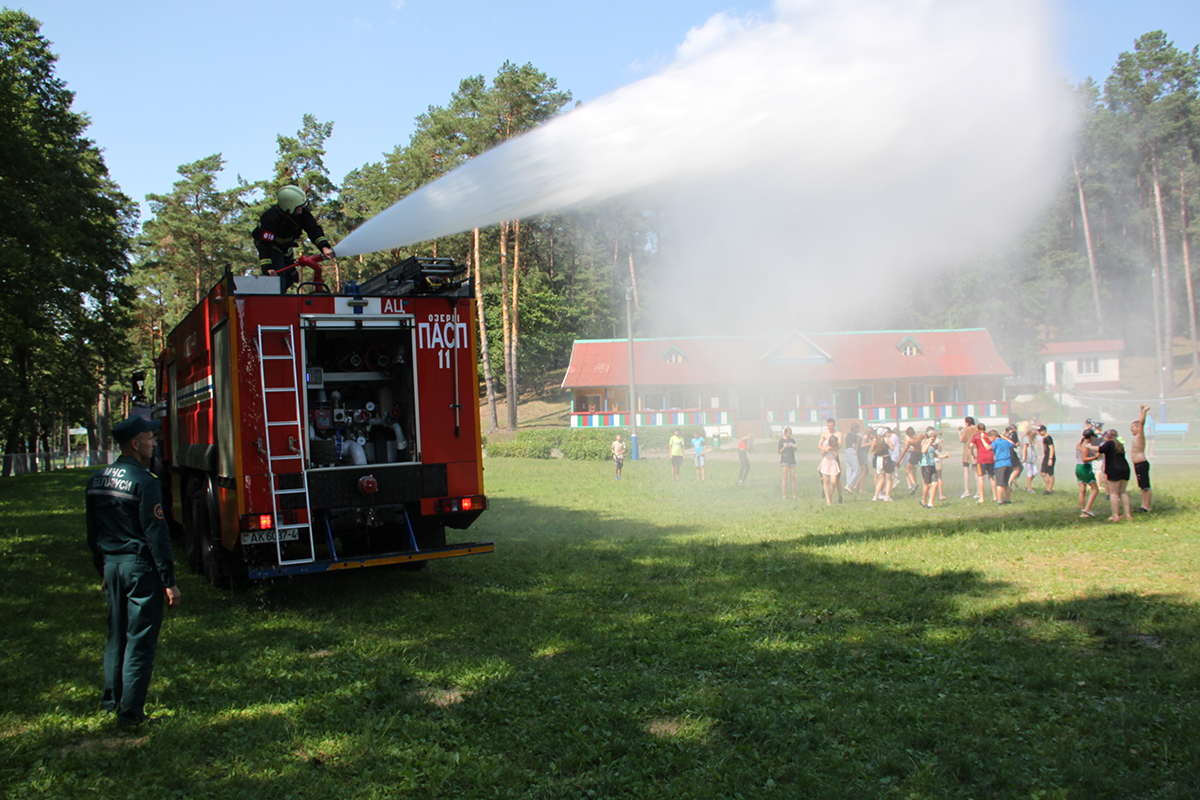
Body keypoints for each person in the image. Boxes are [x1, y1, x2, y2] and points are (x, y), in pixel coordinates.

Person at [85, 416, 181, 727]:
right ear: (134, 444)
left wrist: (103, 569)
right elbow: (156, 534)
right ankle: (130, 713)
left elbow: (92, 533)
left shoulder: (97, 481)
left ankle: (110, 701)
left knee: (116, 636)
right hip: (140, 569)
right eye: (149, 438)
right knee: (140, 639)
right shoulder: (145, 482)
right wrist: (169, 581)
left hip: (112, 566)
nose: (154, 443)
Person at [252, 185, 336, 290]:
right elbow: (265, 245)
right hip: (272, 249)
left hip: (286, 249)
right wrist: (268, 268)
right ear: (289, 207)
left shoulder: (302, 214)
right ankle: (277, 303)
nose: (302, 208)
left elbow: (314, 230)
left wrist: (324, 247)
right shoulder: (270, 218)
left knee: (289, 278)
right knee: (279, 277)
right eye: (300, 206)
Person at [1094, 429, 1132, 521]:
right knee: (1123, 492)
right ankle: (1128, 515)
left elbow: (1100, 449)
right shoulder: (1119, 443)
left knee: (1114, 493)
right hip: (1125, 468)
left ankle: (1115, 515)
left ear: (1107, 436)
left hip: (1114, 469)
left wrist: (1088, 446)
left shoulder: (1109, 443)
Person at [1130, 405, 1152, 513]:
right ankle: (1144, 505)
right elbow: (1139, 421)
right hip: (1137, 464)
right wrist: (1141, 410)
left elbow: (1141, 423)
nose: (1131, 429)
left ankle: (1147, 506)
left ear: (1138, 428)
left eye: (1133, 427)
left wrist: (1145, 412)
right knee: (1142, 486)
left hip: (1142, 463)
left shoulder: (1140, 435)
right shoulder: (1136, 436)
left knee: (1145, 486)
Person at [1075, 429, 1100, 518]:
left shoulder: (1079, 444)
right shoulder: (1086, 447)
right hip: (1085, 468)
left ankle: (1083, 512)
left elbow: (1077, 456)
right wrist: (1095, 457)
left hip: (1078, 467)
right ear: (1092, 437)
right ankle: (1087, 508)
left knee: (1082, 491)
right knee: (1095, 489)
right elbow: (1084, 459)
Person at [971, 424, 995, 504]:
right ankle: (995, 496)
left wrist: (972, 454)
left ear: (978, 429)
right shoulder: (989, 435)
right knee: (991, 476)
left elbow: (971, 445)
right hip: (990, 457)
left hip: (981, 459)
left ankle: (982, 498)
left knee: (981, 478)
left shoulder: (976, 436)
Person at [990, 429, 1015, 504]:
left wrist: (982, 440)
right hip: (1008, 464)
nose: (990, 440)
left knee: (999, 484)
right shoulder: (1005, 442)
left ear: (993, 436)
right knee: (1006, 483)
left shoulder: (995, 443)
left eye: (990, 438)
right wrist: (1005, 437)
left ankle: (999, 500)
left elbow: (988, 448)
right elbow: (1012, 443)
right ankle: (1008, 499)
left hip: (1000, 464)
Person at [818, 432, 842, 505]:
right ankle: (828, 500)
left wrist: (833, 449)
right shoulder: (825, 443)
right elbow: (822, 453)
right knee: (826, 481)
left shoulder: (836, 445)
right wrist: (825, 449)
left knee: (834, 481)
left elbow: (836, 455)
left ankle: (830, 496)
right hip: (826, 461)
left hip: (833, 462)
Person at [918, 427, 939, 508]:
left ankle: (931, 502)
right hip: (925, 466)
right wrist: (929, 442)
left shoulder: (933, 445)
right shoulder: (924, 442)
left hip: (932, 465)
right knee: (927, 485)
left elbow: (934, 455)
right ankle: (923, 500)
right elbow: (923, 451)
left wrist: (943, 456)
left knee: (935, 483)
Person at [871, 427, 892, 501]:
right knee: (889, 479)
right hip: (886, 458)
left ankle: (876, 496)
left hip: (879, 459)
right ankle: (887, 496)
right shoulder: (886, 439)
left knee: (880, 478)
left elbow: (872, 450)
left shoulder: (876, 440)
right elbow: (892, 448)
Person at [959, 417, 978, 499]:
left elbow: (962, 439)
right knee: (976, 471)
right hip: (975, 450)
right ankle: (979, 491)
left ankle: (967, 490)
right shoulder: (976, 429)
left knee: (966, 471)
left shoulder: (967, 429)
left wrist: (959, 431)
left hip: (967, 451)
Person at [843, 422, 863, 494]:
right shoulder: (855, 435)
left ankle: (848, 488)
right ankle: (848, 485)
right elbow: (854, 444)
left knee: (849, 470)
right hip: (852, 451)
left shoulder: (848, 434)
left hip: (847, 451)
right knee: (856, 471)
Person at [778, 426, 797, 500]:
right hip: (784, 460)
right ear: (785, 433)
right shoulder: (781, 441)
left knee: (792, 477)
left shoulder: (792, 440)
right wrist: (784, 447)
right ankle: (784, 495)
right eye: (788, 433)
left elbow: (795, 450)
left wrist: (794, 446)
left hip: (791, 459)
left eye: (790, 433)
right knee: (785, 477)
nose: (789, 435)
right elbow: (779, 452)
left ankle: (793, 494)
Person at [1038, 424, 1056, 494]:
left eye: (1040, 431)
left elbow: (1051, 448)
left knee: (1050, 473)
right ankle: (1048, 488)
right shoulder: (1044, 438)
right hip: (1046, 456)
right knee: (1043, 473)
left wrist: (1051, 458)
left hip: (1049, 457)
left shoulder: (1048, 438)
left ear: (1044, 430)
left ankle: (1049, 489)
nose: (1039, 433)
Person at [1021, 428, 1039, 493]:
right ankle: (1029, 488)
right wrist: (1024, 458)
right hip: (1027, 459)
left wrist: (1036, 456)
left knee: (1035, 472)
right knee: (1030, 472)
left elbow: (1033, 449)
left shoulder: (1031, 439)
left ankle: (1026, 485)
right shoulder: (1026, 438)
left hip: (1032, 459)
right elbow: (1025, 448)